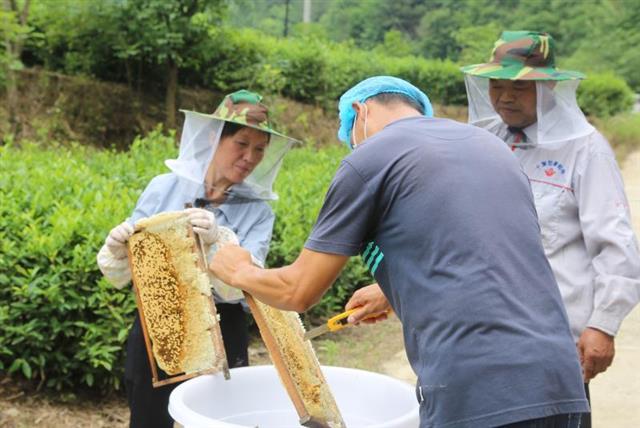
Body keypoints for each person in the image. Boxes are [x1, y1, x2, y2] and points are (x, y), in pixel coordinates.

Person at [209, 76, 590, 427]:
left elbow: (297, 292)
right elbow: (487, 256)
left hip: (477, 390)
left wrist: (238, 269)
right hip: (560, 382)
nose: (355, 147)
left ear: (361, 112)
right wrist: (392, 290)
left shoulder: (371, 157)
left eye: (351, 139)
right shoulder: (492, 148)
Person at [460, 31, 640, 427]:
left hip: (552, 346)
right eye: (497, 85)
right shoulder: (484, 141)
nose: (505, 97)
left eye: (519, 88)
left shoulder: (584, 149)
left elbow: (615, 247)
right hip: (483, 339)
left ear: (549, 87)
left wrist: (602, 325)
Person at [96, 89, 298, 428]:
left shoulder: (258, 213)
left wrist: (217, 243)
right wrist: (119, 250)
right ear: (213, 138)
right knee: (148, 419)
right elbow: (126, 275)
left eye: (260, 149)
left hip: (224, 329)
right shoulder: (163, 188)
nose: (250, 157)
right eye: (241, 144)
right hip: (159, 327)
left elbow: (249, 286)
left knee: (221, 420)